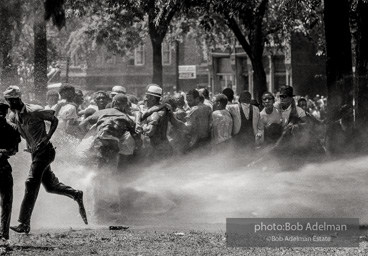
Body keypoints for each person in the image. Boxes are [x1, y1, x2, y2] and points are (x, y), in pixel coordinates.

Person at [3, 85, 87, 234]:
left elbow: (54, 120)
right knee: (50, 186)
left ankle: (24, 223)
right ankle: (75, 194)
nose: (10, 104)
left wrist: (47, 138)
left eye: (11, 100)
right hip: (35, 152)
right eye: (7, 101)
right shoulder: (13, 116)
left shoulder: (34, 110)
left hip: (45, 151)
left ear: (18, 99)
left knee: (30, 182)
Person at [0, 99, 20, 243]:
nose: (1, 114)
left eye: (3, 111)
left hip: (3, 168)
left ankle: (3, 234)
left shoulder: (12, 128)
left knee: (6, 202)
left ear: (7, 112)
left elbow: (14, 150)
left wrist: (4, 152)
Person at [140, 84, 173, 161]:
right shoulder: (165, 109)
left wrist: (142, 126)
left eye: (146, 97)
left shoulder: (156, 113)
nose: (145, 99)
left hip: (156, 150)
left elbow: (150, 132)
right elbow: (178, 123)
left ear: (152, 98)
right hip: (164, 147)